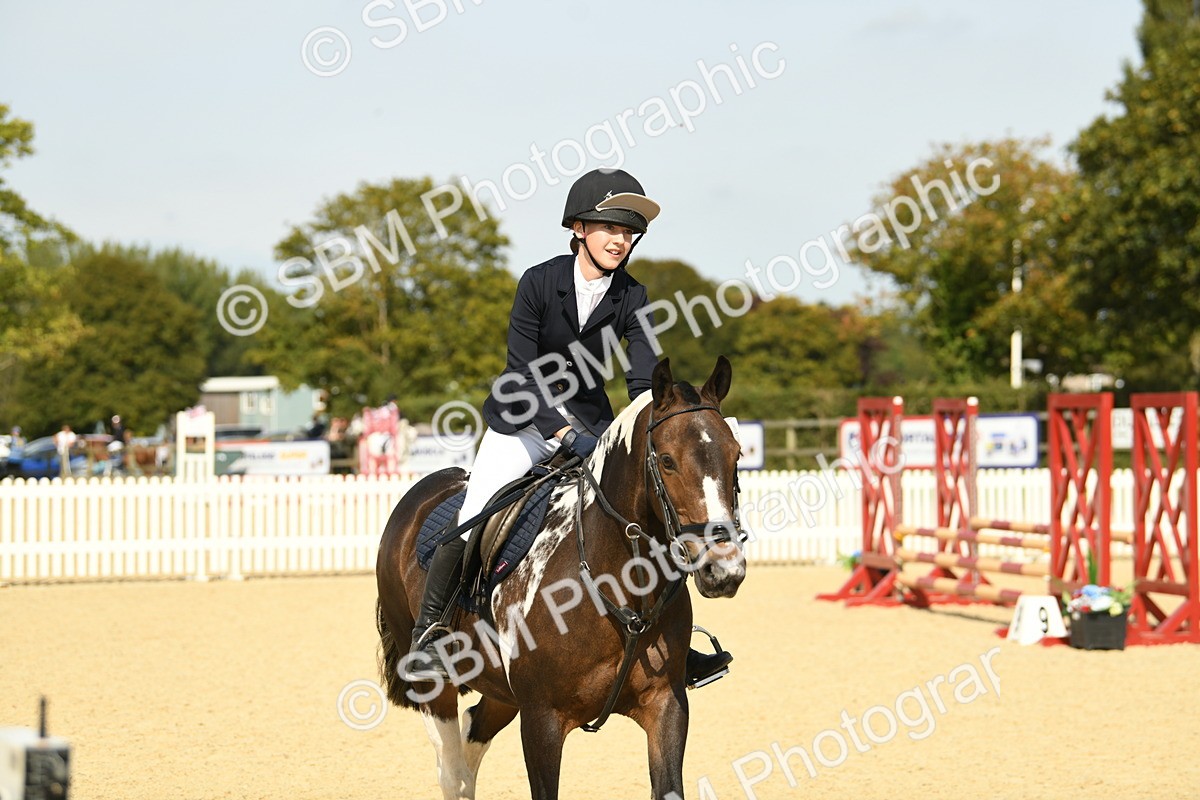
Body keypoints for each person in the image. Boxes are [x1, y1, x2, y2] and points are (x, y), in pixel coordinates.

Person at [403, 168, 733, 687]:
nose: (620, 240)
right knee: (474, 512)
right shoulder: (538, 283)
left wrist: (653, 424)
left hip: (592, 424)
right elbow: (519, 373)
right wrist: (560, 433)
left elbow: (643, 381)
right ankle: (430, 632)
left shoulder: (633, 296)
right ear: (578, 228)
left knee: (646, 510)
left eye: (629, 232)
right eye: (610, 228)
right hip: (522, 422)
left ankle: (674, 641)